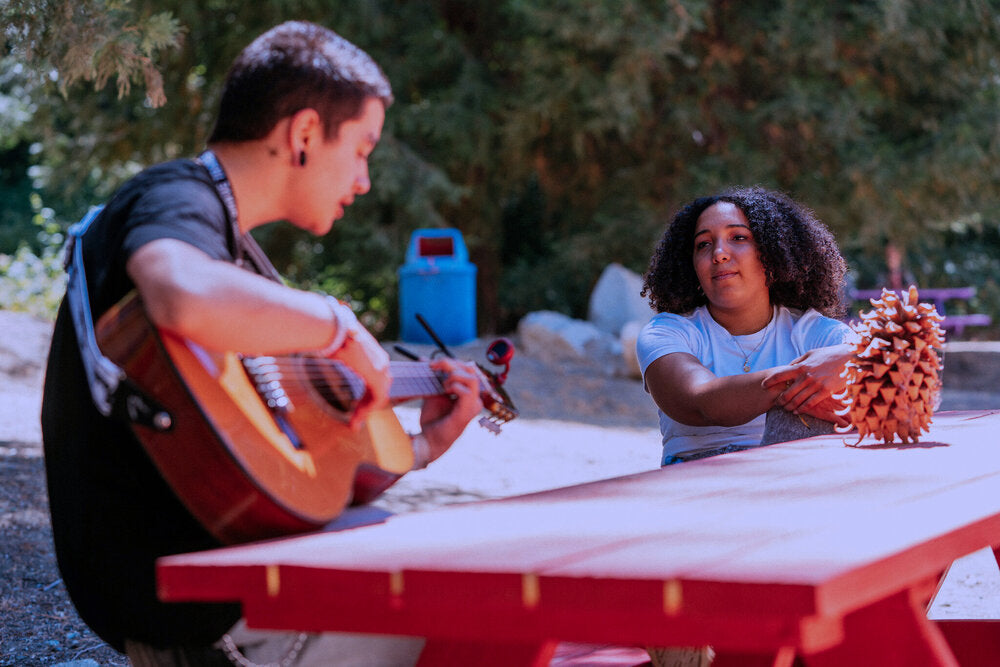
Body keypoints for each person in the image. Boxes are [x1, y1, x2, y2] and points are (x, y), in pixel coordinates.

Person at [41, 21, 484, 666]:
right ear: (304, 134)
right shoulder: (174, 197)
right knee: (477, 613)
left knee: (458, 569)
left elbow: (274, 469)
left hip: (210, 582)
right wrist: (338, 324)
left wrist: (421, 447)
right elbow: (179, 291)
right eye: (361, 149)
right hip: (197, 614)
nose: (363, 180)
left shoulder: (232, 251)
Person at [637, 186, 855, 467]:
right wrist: (807, 377)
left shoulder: (817, 332)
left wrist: (855, 358)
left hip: (796, 480)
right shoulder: (667, 332)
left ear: (773, 253)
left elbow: (879, 385)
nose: (719, 253)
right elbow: (701, 401)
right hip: (697, 487)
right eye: (703, 244)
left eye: (738, 237)